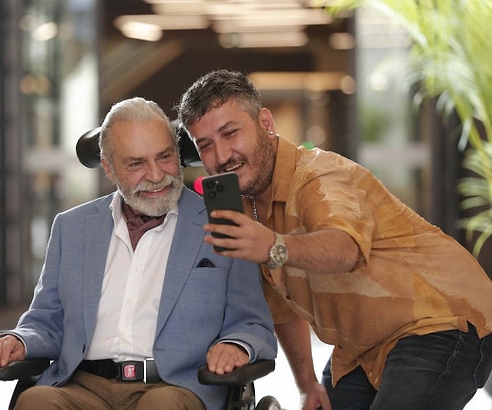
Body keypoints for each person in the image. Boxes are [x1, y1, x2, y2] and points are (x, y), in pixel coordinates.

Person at [176, 69, 492, 410]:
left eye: (231, 133)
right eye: (205, 145)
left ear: (265, 123)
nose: (222, 155)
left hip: (440, 321)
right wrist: (308, 384)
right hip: (361, 348)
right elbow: (284, 308)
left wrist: (271, 245)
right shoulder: (247, 207)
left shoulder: (319, 175)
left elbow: (344, 248)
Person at [0, 96, 277, 410]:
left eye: (165, 157)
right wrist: (19, 340)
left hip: (175, 386)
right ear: (109, 168)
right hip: (82, 385)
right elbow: (46, 320)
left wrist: (235, 345)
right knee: (35, 402)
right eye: (136, 164)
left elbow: (252, 322)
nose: (157, 175)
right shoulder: (72, 227)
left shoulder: (224, 222)